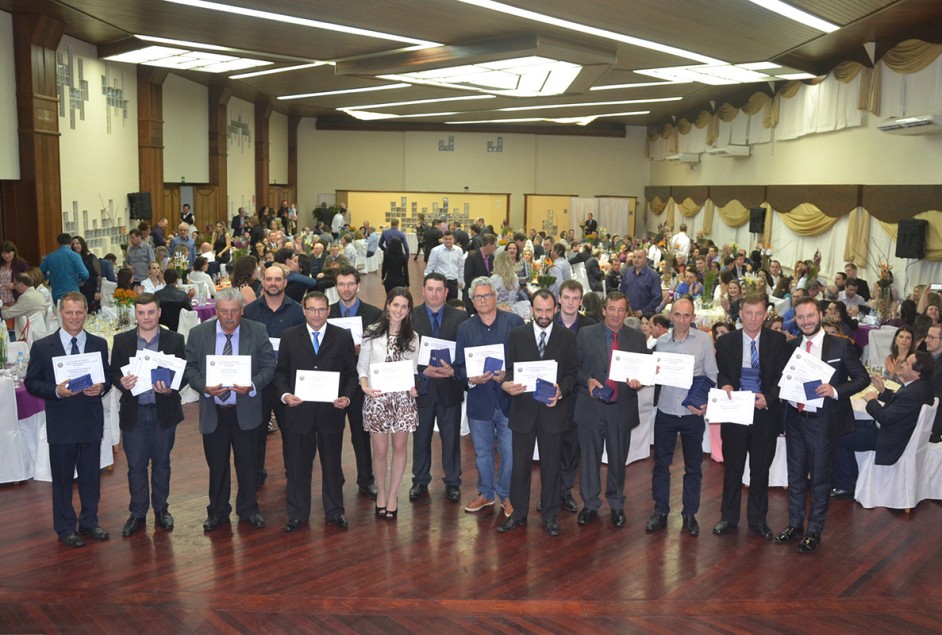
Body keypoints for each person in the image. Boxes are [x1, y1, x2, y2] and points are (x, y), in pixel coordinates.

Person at [776, 296, 868, 553]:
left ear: (820, 315)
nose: (806, 321)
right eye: (801, 316)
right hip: (795, 419)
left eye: (810, 315)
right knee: (794, 477)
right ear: (796, 318)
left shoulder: (839, 346)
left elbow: (863, 378)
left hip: (823, 423)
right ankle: (795, 525)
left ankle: (814, 532)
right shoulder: (791, 346)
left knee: (819, 480)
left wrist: (835, 390)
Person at [183, 287, 276, 531]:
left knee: (247, 465)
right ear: (216, 311)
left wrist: (252, 385)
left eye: (234, 311)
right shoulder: (198, 333)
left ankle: (248, 509)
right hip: (214, 411)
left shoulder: (257, 331)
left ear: (241, 311)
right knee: (217, 465)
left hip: (245, 409)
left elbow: (268, 366)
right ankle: (217, 511)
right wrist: (204, 386)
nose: (229, 317)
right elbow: (190, 368)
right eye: (224, 311)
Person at [25, 292, 112, 547]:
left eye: (79, 312)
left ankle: (89, 522)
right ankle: (64, 527)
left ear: (86, 312)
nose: (74, 317)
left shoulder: (98, 343)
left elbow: (105, 377)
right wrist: (55, 390)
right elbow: (31, 382)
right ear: (59, 313)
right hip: (61, 422)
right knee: (62, 479)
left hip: (89, 420)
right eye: (69, 312)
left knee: (90, 477)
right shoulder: (43, 346)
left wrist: (101, 388)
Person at [496, 290, 578, 537]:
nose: (543, 315)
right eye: (538, 310)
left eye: (547, 310)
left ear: (556, 309)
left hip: (553, 411)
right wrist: (506, 384)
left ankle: (551, 515)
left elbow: (572, 374)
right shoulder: (517, 335)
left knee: (551, 466)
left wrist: (561, 391)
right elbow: (510, 371)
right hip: (523, 411)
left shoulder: (566, 338)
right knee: (520, 466)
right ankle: (518, 514)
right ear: (532, 309)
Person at [274, 291, 358, 531]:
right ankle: (297, 513)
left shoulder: (342, 337)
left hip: (331, 412)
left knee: (332, 465)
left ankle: (335, 511)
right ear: (304, 310)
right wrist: (285, 395)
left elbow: (351, 374)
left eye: (321, 309)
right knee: (299, 464)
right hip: (299, 412)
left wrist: (347, 397)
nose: (317, 314)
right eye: (312, 309)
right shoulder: (290, 336)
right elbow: (280, 373)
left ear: (328, 311)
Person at [711, 295, 789, 540]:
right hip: (735, 412)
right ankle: (729, 517)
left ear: (765, 315)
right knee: (733, 468)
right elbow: (721, 373)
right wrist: (724, 385)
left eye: (758, 313)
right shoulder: (726, 342)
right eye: (749, 313)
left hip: (765, 414)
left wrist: (770, 398)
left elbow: (782, 377)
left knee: (760, 469)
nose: (753, 318)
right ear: (740, 314)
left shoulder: (778, 341)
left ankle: (758, 519)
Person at [110, 293, 187, 536]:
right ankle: (138, 512)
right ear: (135, 314)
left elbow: (183, 374)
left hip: (164, 411)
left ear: (159, 313)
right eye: (141, 313)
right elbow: (113, 373)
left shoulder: (175, 339)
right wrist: (122, 382)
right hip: (135, 412)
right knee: (135, 465)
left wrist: (170, 387)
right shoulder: (121, 341)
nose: (146, 317)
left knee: (162, 463)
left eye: (151, 312)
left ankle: (162, 509)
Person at [573, 291, 649, 528]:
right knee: (589, 460)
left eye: (621, 310)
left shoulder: (637, 338)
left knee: (618, 461)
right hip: (591, 407)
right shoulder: (585, 334)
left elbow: (644, 371)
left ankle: (616, 504)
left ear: (626, 312)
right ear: (604, 309)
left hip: (621, 408)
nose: (616, 314)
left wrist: (640, 381)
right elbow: (573, 368)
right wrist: (587, 380)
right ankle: (591, 504)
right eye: (612, 309)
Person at [645, 297, 719, 537]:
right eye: (677, 315)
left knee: (693, 466)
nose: (681, 320)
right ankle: (661, 510)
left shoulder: (704, 341)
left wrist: (704, 402)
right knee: (661, 464)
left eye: (687, 316)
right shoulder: (661, 342)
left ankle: (689, 513)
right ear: (671, 315)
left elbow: (712, 375)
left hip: (691, 413)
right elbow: (654, 376)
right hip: (666, 411)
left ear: (693, 317)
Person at [455, 277, 525, 516]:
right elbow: (458, 366)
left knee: (510, 453)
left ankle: (505, 495)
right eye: (478, 297)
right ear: (473, 301)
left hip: (508, 401)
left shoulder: (514, 322)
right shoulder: (465, 328)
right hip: (480, 401)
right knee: (483, 452)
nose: (483, 300)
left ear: (495, 297)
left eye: (487, 295)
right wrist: (470, 379)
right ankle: (486, 493)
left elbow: (523, 361)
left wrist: (508, 375)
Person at [831, 351, 934, 497]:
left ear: (917, 372)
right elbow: (900, 404)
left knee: (838, 437)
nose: (903, 364)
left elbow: (884, 417)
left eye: (907, 364)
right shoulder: (921, 386)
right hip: (894, 431)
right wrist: (883, 391)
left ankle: (846, 485)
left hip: (888, 438)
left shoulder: (912, 393)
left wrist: (871, 400)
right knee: (844, 425)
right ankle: (844, 477)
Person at [356, 287, 420, 520]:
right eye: (395, 305)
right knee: (380, 451)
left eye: (404, 307)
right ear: (387, 305)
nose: (399, 310)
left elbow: (412, 371)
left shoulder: (412, 337)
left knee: (400, 449)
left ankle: (393, 495)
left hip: (402, 400)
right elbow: (362, 366)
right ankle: (381, 492)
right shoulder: (372, 332)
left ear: (408, 310)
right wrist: (364, 386)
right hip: (377, 398)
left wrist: (413, 387)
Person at [243, 263, 305, 487]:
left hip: (287, 382)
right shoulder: (250, 312)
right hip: (258, 382)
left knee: (291, 432)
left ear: (285, 283)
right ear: (263, 282)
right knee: (256, 432)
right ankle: (256, 475)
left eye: (277, 280)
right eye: (269, 279)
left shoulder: (298, 311)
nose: (273, 284)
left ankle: (294, 473)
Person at [409, 273, 469, 503]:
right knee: (421, 438)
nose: (434, 294)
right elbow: (405, 351)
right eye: (430, 289)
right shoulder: (411, 317)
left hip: (449, 386)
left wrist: (453, 370)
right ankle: (420, 480)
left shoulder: (461, 317)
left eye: (439, 289)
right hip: (422, 388)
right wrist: (422, 369)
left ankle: (453, 482)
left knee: (451, 438)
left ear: (446, 292)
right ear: (423, 291)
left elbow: (464, 351)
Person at [329, 266, 383, 498]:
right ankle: (334, 478)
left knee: (361, 435)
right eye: (341, 284)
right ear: (336, 286)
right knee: (331, 434)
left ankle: (365, 479)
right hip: (332, 381)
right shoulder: (327, 312)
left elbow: (382, 349)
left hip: (361, 382)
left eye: (350, 284)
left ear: (358, 285)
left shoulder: (373, 313)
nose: (346, 289)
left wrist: (364, 350)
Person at [551, 280, 597, 512]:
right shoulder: (547, 322)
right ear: (559, 298)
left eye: (575, 298)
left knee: (571, 448)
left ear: (581, 301)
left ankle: (564, 490)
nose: (570, 302)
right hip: (551, 394)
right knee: (551, 448)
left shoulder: (590, 327)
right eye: (566, 297)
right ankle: (550, 492)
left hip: (578, 397)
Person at [39, 232, 88, 303]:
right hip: (73, 293)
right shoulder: (75, 256)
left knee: (60, 313)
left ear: (58, 243)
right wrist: (81, 281)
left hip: (57, 294)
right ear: (70, 243)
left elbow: (39, 272)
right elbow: (85, 274)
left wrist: (49, 277)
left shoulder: (50, 256)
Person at [1, 273, 47, 339]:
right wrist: (7, 308)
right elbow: (21, 309)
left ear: (21, 284)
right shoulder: (38, 294)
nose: (14, 287)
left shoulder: (26, 297)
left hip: (27, 334)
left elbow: (8, 314)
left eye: (15, 284)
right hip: (36, 331)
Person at [619, 249, 661, 318]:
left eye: (639, 257)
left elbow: (657, 298)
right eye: (634, 257)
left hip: (646, 317)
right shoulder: (628, 272)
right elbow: (622, 291)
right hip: (628, 314)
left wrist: (643, 311)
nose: (636, 260)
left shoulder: (653, 276)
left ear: (645, 259)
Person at [424, 230, 463, 300]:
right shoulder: (435, 251)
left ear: (454, 240)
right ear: (443, 239)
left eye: (450, 239)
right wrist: (427, 282)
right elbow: (430, 267)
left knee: (452, 304)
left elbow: (461, 267)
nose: (448, 241)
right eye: (446, 239)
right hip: (439, 281)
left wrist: (460, 280)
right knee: (438, 302)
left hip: (453, 281)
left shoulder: (459, 251)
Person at [463, 233, 497, 311]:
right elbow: (467, 278)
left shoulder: (492, 257)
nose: (495, 248)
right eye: (494, 246)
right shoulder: (472, 258)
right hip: (473, 297)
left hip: (486, 296)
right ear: (488, 245)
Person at [0, 240, 29, 305]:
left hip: (15, 298)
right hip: (1, 298)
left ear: (14, 252)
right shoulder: (1, 264)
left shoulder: (21, 263)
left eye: (8, 252)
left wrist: (15, 285)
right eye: (3, 253)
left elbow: (29, 279)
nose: (6, 256)